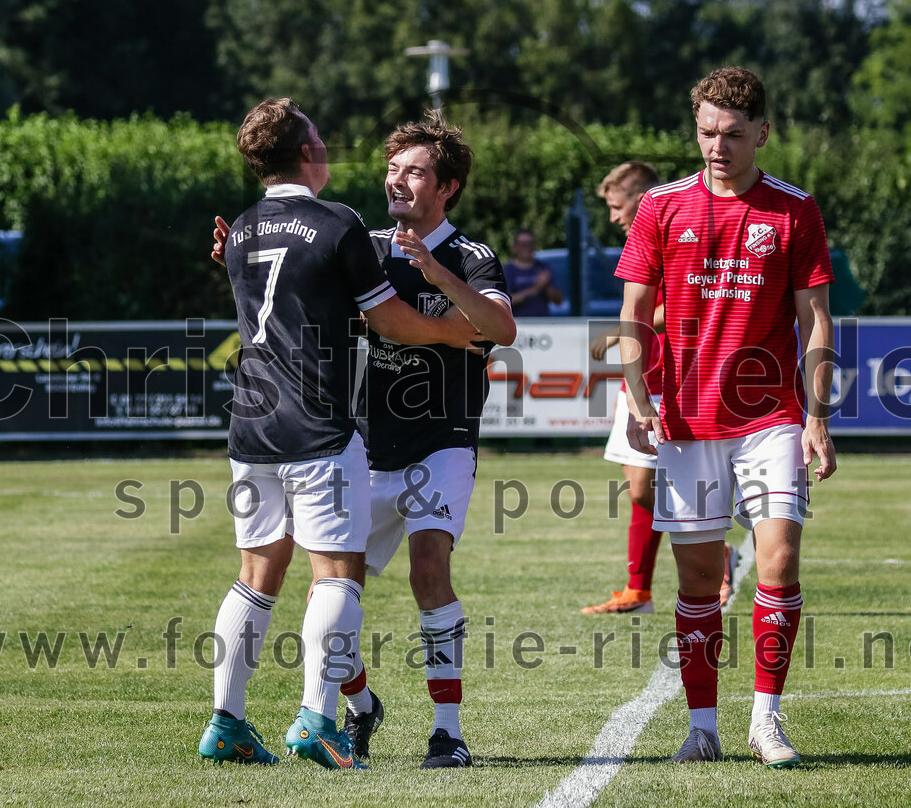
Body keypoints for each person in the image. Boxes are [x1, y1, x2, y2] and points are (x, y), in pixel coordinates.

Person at [212, 114, 516, 769]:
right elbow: (297, 299)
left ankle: (447, 732)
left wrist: (438, 275)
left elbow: (500, 327)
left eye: (415, 172)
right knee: (332, 587)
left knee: (428, 568)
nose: (397, 180)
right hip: (363, 443)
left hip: (441, 440)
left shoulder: (470, 256)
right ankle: (358, 703)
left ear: (447, 187)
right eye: (393, 168)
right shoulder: (362, 242)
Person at [615, 67, 836, 768]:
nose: (718, 146)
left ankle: (766, 719)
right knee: (697, 578)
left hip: (771, 416)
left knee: (780, 559)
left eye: (733, 134)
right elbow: (632, 312)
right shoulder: (660, 206)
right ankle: (702, 726)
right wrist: (639, 398)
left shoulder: (794, 210)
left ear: (762, 133)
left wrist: (817, 417)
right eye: (708, 132)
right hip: (686, 420)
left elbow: (816, 319)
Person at [583, 161, 738, 614]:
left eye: (617, 206)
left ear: (641, 197)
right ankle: (639, 591)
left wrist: (620, 331)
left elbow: (693, 301)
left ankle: (711, 557)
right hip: (640, 379)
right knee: (639, 489)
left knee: (674, 485)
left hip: (680, 381)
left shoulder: (682, 231)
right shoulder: (642, 239)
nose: (613, 216)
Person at [503, 228, 563, 316]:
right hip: (517, 321)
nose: (527, 248)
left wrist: (546, 286)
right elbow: (505, 302)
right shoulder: (507, 271)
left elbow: (558, 301)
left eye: (530, 244)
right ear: (514, 248)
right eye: (523, 245)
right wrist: (534, 289)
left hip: (542, 321)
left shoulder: (543, 267)